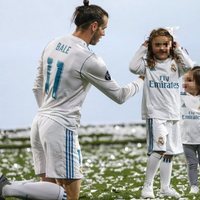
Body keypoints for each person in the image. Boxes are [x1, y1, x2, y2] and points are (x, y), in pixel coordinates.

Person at [0, 0, 144, 200]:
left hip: (39, 122)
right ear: (94, 26)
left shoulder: (53, 43)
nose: (104, 34)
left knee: (48, 193)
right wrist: (142, 80)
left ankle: (7, 187)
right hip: (60, 127)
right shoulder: (89, 59)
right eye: (103, 28)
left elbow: (36, 86)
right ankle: (7, 188)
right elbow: (120, 96)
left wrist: (48, 114)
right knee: (69, 196)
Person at [129, 27, 194, 198]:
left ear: (171, 45)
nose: (162, 48)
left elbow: (190, 66)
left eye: (166, 44)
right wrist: (143, 47)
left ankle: (165, 187)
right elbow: (132, 66)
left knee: (169, 153)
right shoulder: (148, 65)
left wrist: (178, 48)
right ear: (151, 46)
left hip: (173, 114)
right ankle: (147, 187)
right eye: (157, 45)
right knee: (158, 150)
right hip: (155, 114)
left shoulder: (176, 64)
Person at [181, 66, 200, 194]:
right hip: (187, 139)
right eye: (184, 80)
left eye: (189, 80)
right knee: (192, 164)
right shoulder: (181, 96)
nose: (185, 83)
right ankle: (194, 186)